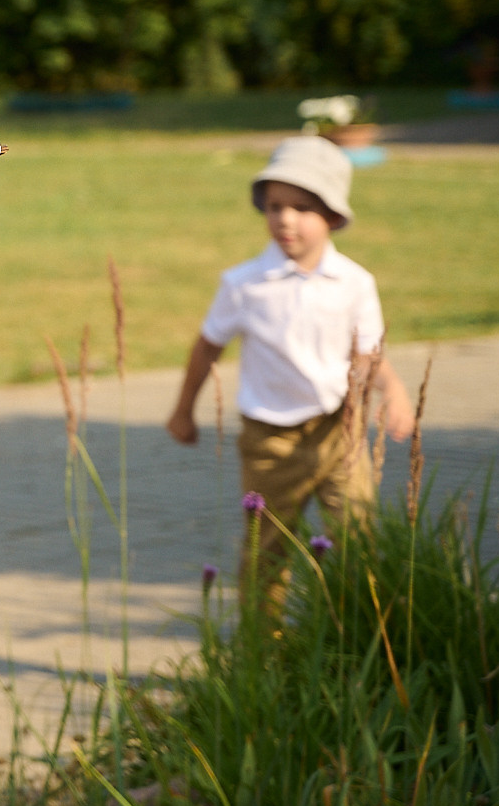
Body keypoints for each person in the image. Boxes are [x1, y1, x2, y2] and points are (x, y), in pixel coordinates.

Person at [166, 135, 412, 592]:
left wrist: (393, 392)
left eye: (301, 208)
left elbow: (368, 353)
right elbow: (207, 347)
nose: (285, 219)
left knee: (359, 542)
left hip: (340, 432)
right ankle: (263, 653)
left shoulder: (354, 283)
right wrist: (183, 410)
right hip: (269, 439)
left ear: (333, 216)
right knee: (267, 550)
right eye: (275, 205)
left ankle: (361, 637)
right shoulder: (244, 284)